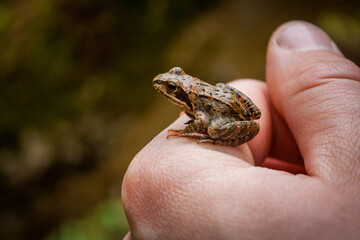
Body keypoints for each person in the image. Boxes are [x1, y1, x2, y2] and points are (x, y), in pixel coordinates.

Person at [121, 21, 360, 239]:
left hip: (225, 114)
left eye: (172, 87)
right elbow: (236, 113)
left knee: (212, 129)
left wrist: (186, 132)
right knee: (223, 91)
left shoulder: (198, 108)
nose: (166, 87)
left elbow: (203, 122)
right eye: (173, 84)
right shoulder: (193, 102)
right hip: (225, 100)